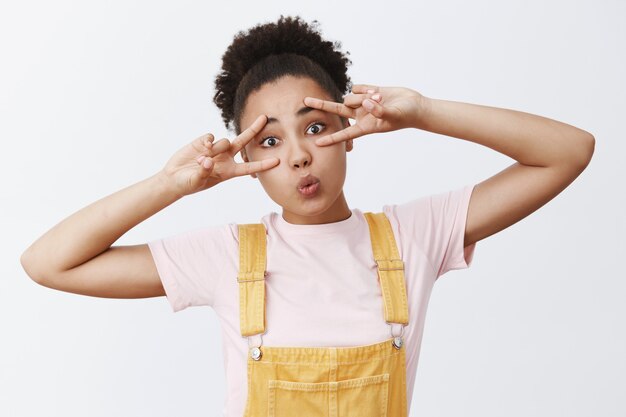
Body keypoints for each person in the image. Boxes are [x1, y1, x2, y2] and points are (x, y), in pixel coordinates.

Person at [20, 15, 595, 417]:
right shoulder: (225, 256)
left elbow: (568, 151)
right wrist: (170, 185)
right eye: (268, 143)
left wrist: (423, 111)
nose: (297, 155)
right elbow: (49, 263)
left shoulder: (412, 236)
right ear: (245, 160)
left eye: (315, 128)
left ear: (351, 134)